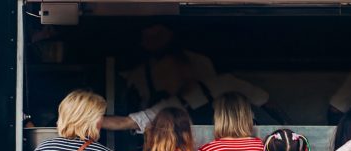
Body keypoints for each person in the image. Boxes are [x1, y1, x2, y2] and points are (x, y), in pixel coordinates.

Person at [101, 24, 271, 133]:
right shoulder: (172, 104)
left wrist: (286, 128)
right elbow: (126, 122)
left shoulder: (225, 83)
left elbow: (266, 102)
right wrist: (84, 118)